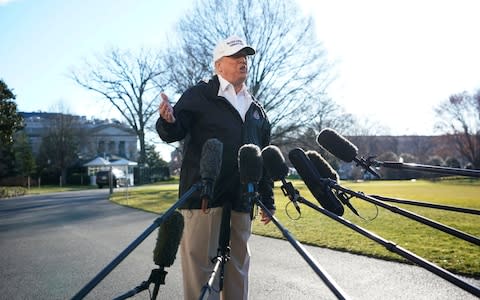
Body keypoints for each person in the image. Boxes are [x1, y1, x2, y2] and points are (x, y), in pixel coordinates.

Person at [156, 35, 275, 300]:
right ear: (219, 65)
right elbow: (174, 129)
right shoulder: (199, 95)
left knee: (238, 268)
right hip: (203, 198)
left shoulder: (257, 109)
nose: (242, 61)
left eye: (245, 57)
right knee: (200, 273)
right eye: (236, 57)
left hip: (243, 199)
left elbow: (264, 156)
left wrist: (267, 197)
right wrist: (167, 120)